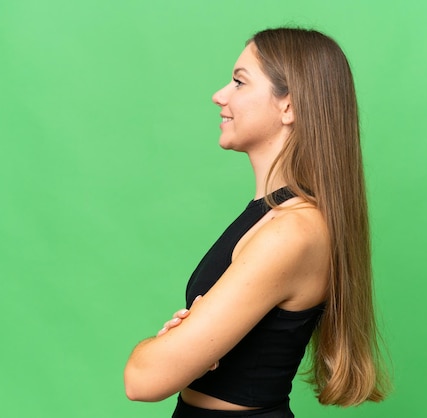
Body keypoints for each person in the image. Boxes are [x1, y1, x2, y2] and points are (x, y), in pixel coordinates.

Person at [124, 27, 388, 417]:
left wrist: (171, 347)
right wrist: (181, 347)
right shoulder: (270, 216)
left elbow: (143, 379)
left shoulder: (291, 231)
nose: (220, 95)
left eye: (239, 82)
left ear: (289, 106)